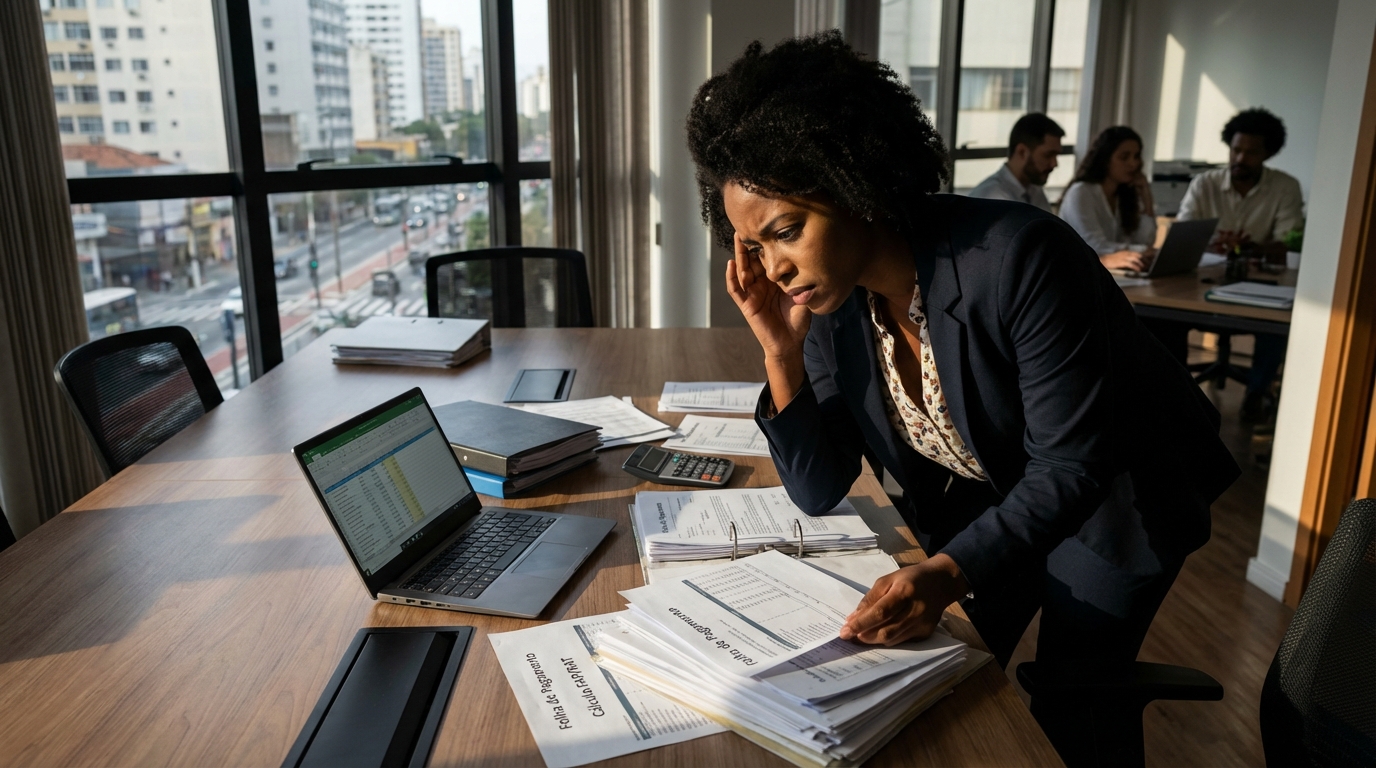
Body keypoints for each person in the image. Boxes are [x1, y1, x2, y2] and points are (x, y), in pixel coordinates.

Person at [686, 33, 1239, 752]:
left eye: (786, 231)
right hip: (1003, 479)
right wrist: (780, 353)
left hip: (1122, 495)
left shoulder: (1018, 257)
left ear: (854, 183)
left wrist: (950, 570)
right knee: (943, 669)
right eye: (755, 248)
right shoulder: (832, 307)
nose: (774, 268)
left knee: (1073, 697)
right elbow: (819, 489)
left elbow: (1072, 465)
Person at [1177, 108, 1303, 420]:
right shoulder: (1204, 184)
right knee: (1164, 320)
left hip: (1258, 284)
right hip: (1201, 284)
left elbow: (1289, 241)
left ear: (1268, 153)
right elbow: (1184, 233)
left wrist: (1250, 248)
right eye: (1236, 150)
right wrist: (1215, 244)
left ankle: (1256, 395)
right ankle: (1177, 394)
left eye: (1251, 152)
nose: (1240, 158)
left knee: (1276, 325)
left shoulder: (1285, 187)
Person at [1059, 126, 1158, 272]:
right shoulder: (1081, 192)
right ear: (1105, 159)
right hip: (1077, 274)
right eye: (1124, 157)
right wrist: (1142, 250)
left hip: (1111, 275)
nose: (1133, 164)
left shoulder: (1124, 194)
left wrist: (1146, 198)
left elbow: (1146, 240)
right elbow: (1094, 245)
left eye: (1136, 156)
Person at [967, 113, 1064, 213]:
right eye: (1048, 155)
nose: (1055, 164)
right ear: (1022, 152)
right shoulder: (991, 198)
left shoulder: (1034, 189)